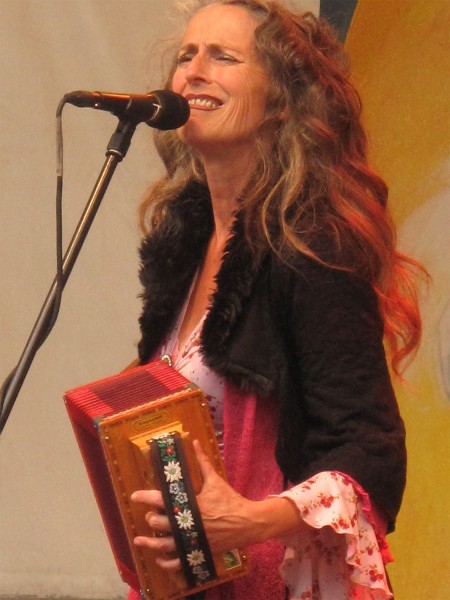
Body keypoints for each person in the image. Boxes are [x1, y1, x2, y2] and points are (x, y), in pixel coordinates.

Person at [127, 1, 425, 598]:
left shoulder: (312, 245)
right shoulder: (183, 248)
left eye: (224, 56)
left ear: (282, 99)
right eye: (186, 55)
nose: (194, 71)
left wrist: (249, 520)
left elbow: (371, 450)